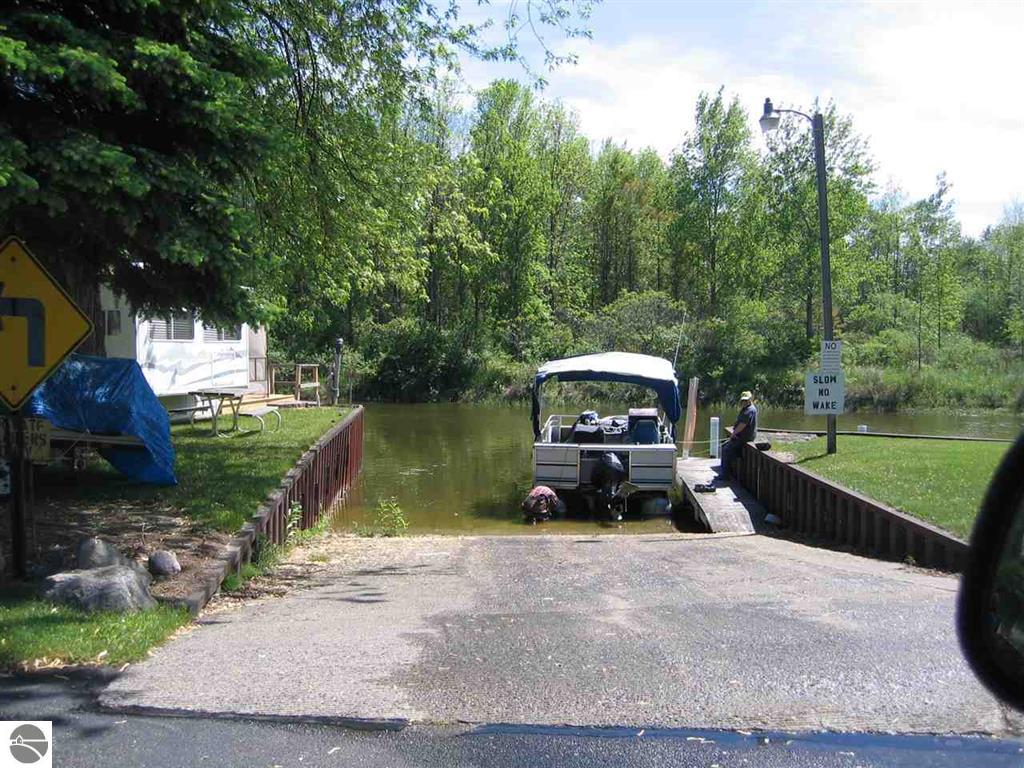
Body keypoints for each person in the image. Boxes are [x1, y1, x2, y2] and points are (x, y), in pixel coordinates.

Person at [720, 390, 757, 479]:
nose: (744, 402)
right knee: (724, 444)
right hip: (740, 436)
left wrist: (734, 433)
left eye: (746, 400)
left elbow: (742, 425)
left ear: (750, 399)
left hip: (744, 437)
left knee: (726, 449)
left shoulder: (750, 410)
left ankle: (725, 475)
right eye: (742, 400)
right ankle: (729, 469)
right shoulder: (746, 408)